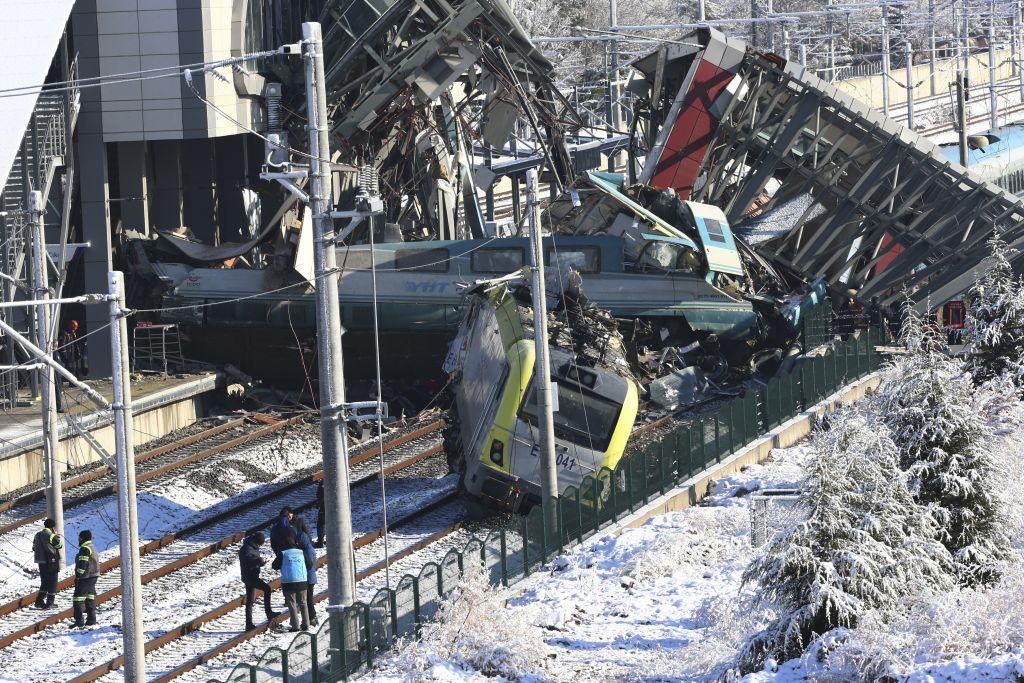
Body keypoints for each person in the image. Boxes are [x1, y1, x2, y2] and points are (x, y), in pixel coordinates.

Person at [238, 532, 278, 631]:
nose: (260, 546)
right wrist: (258, 560)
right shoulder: (247, 548)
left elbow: (253, 561)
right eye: (260, 544)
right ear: (257, 542)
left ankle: (249, 624)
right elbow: (248, 560)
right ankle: (269, 613)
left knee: (250, 601)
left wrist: (261, 563)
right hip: (250, 577)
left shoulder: (252, 547)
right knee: (267, 589)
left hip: (251, 575)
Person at [279, 534, 310, 632]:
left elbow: (274, 565)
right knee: (303, 603)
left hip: (289, 582)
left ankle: (295, 626)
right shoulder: (301, 552)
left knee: (292, 604)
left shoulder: (283, 553)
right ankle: (306, 624)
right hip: (302, 581)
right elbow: (310, 564)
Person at [293, 516, 319, 626]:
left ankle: (312, 618)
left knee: (307, 599)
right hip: (310, 576)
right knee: (307, 599)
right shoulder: (308, 546)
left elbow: (308, 564)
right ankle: (311, 617)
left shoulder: (304, 548)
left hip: (307, 577)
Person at [32, 518, 63, 609]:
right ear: (52, 527)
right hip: (51, 561)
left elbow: (34, 547)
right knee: (53, 581)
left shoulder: (37, 535)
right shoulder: (52, 535)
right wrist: (57, 535)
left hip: (40, 562)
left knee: (44, 582)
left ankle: (39, 601)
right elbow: (59, 545)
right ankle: (50, 602)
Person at [73, 529, 98, 628]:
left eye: (79, 538)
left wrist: (78, 575)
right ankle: (91, 620)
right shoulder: (92, 546)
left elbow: (83, 563)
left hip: (86, 576)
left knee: (77, 599)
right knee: (89, 597)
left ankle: (79, 622)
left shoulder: (84, 548)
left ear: (81, 538)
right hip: (93, 575)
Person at [314, 480, 325, 548]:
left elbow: (318, 494)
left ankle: (320, 542)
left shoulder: (323, 481)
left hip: (323, 507)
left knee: (320, 525)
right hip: (334, 507)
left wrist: (318, 503)